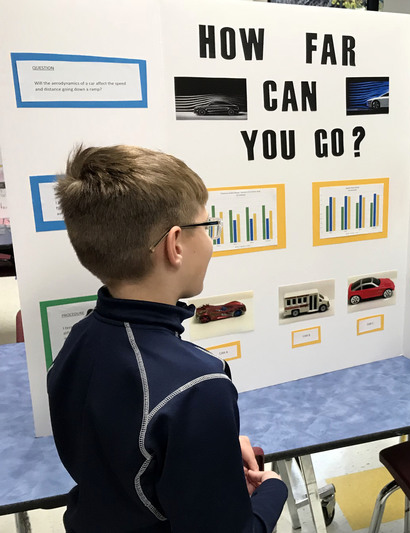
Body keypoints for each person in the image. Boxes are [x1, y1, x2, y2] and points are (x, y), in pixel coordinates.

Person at [47, 146, 288, 532]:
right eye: (207, 228)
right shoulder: (198, 384)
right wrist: (274, 491)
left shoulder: (80, 340)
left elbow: (125, 459)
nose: (211, 243)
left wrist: (213, 446)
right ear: (175, 245)